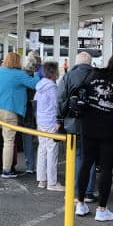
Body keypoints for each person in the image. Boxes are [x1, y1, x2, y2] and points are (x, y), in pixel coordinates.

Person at [75, 50, 113, 221]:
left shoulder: (94, 73)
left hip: (88, 124)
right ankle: (101, 209)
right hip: (110, 128)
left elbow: (81, 93)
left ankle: (81, 203)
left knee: (86, 162)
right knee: (106, 168)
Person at [0, 52, 39, 178]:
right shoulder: (19, 74)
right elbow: (34, 84)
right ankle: (6, 170)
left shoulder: (0, 71)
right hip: (9, 110)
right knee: (8, 141)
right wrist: (36, 74)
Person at [57, 51, 97, 202]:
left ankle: (75, 190)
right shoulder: (97, 75)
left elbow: (60, 98)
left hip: (72, 122)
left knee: (74, 155)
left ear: (77, 62)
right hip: (92, 122)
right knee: (90, 156)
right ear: (90, 62)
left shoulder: (68, 76)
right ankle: (88, 192)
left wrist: (60, 118)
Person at [35, 61, 64, 191]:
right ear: (53, 72)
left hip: (41, 121)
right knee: (52, 151)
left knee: (42, 150)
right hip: (51, 121)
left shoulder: (39, 85)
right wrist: (59, 121)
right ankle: (52, 183)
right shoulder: (52, 87)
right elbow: (56, 105)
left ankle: (41, 180)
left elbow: (35, 104)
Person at [20, 53, 41, 174]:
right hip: (39, 108)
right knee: (42, 138)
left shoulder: (22, 75)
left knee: (27, 136)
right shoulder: (42, 76)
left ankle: (30, 166)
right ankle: (40, 166)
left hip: (26, 108)